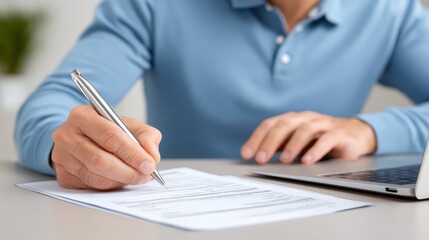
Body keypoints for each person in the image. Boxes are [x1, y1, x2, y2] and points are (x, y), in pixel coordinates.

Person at [15, 0, 429, 190]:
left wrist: (370, 131)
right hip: (177, 218)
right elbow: (50, 105)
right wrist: (69, 148)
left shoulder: (390, 9)